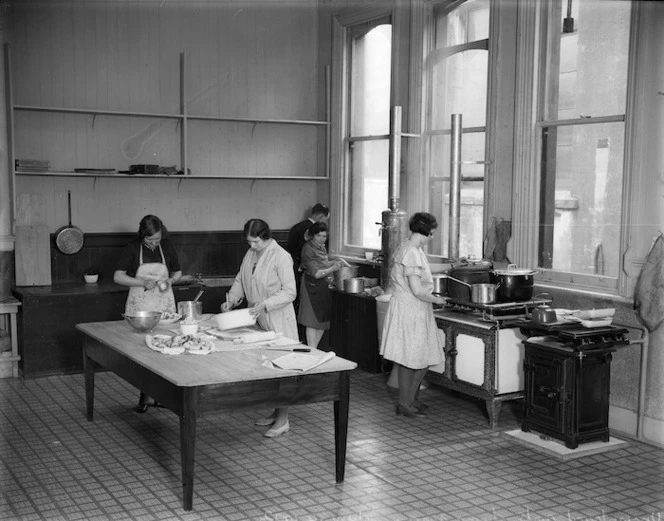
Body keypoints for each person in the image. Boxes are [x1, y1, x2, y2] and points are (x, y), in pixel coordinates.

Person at [221, 218, 298, 437]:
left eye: (255, 242)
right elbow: (241, 280)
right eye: (249, 242)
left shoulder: (281, 257)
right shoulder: (251, 254)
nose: (252, 246)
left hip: (278, 319)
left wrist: (265, 304)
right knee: (266, 368)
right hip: (258, 320)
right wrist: (233, 298)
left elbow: (290, 292)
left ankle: (283, 419)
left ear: (266, 237)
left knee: (282, 369)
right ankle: (276, 412)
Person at [379, 212, 448, 418]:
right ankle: (405, 404)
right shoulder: (411, 252)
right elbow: (417, 290)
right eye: (432, 233)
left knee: (421, 356)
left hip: (415, 308)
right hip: (411, 308)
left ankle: (412, 400)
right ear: (425, 232)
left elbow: (424, 269)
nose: (432, 237)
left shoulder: (410, 247)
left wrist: (452, 266)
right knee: (410, 358)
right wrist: (438, 299)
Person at [114, 214, 182, 413]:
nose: (154, 244)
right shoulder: (132, 248)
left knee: (167, 350)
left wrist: (170, 281)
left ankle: (162, 397)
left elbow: (177, 271)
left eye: (157, 240)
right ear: (142, 235)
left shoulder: (167, 246)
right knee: (143, 354)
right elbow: (118, 276)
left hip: (164, 305)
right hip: (141, 306)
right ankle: (144, 397)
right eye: (149, 240)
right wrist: (142, 282)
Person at [297, 222, 344, 348]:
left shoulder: (321, 247)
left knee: (322, 320)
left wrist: (334, 262)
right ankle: (312, 348)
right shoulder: (308, 249)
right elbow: (317, 273)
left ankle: (314, 348)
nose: (322, 239)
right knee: (312, 320)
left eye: (324, 236)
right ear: (312, 235)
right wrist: (333, 268)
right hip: (311, 286)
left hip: (323, 286)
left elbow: (322, 264)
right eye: (319, 236)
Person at [286, 203, 331, 296]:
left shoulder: (296, 226)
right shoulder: (313, 230)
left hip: (290, 266)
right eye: (325, 220)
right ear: (321, 217)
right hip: (306, 272)